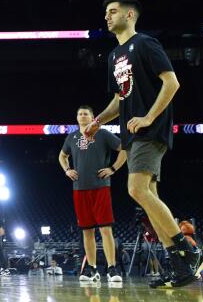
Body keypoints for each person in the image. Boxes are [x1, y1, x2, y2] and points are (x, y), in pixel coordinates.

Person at [85, 0, 203, 288]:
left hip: (149, 131)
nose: (107, 16)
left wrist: (149, 118)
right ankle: (180, 266)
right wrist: (98, 122)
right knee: (149, 198)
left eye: (112, 11)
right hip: (131, 134)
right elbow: (119, 99)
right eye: (105, 12)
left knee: (136, 189)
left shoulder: (145, 44)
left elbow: (171, 82)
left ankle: (189, 251)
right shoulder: (114, 55)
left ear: (129, 15)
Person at [60, 105, 127, 283]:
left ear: (92, 117)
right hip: (79, 189)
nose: (82, 116)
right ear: (77, 118)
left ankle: (112, 268)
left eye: (86, 114)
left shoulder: (103, 133)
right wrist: (67, 170)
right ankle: (92, 269)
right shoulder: (71, 137)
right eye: (80, 113)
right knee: (87, 232)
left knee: (105, 229)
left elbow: (124, 149)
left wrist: (113, 168)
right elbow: (62, 156)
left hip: (100, 187)